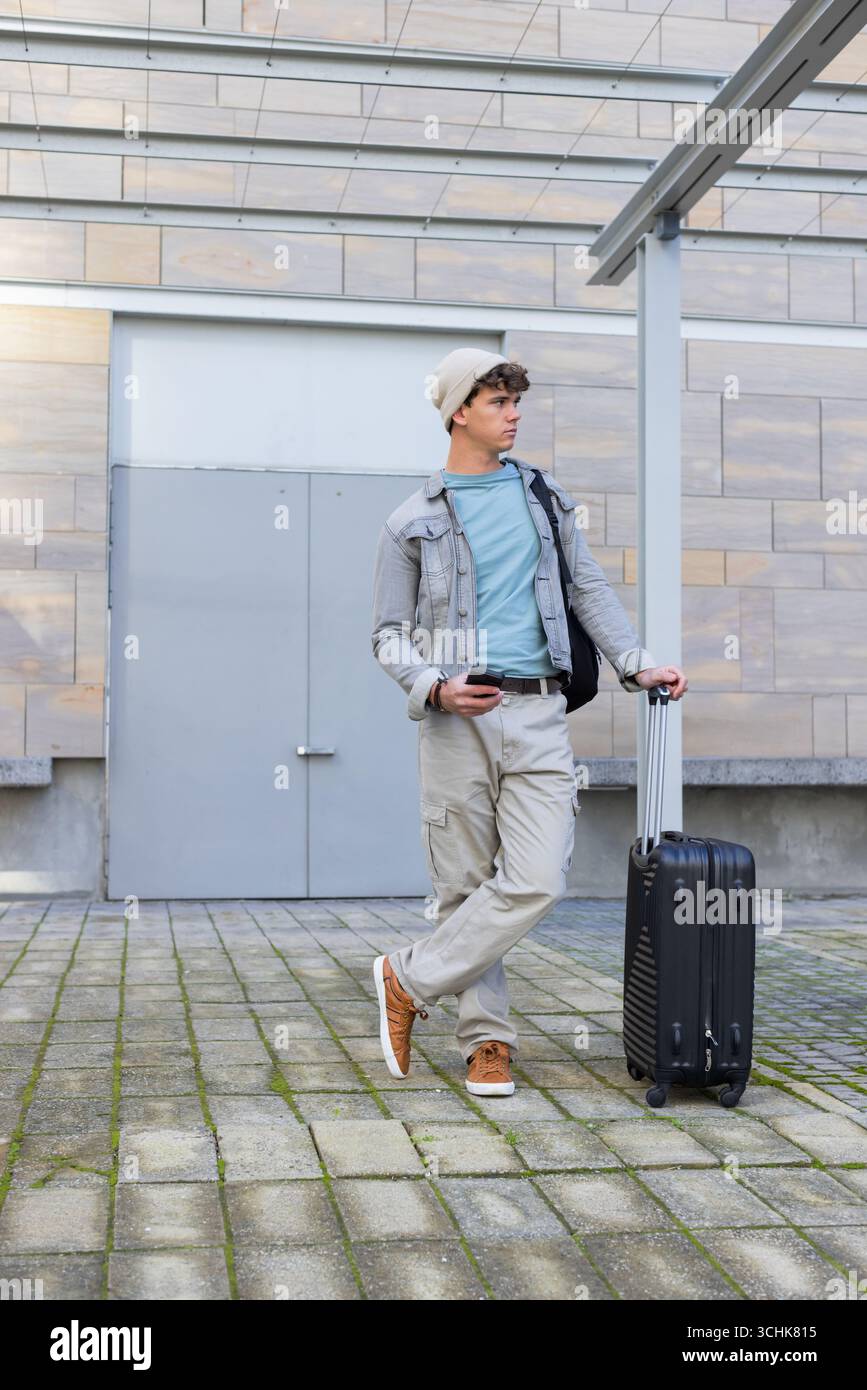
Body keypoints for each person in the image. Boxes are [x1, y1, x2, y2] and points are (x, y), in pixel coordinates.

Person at [370, 347, 687, 1097]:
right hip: (455, 721)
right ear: (458, 412)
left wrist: (636, 661)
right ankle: (488, 1044)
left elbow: (587, 590)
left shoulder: (544, 499)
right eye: (498, 403)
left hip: (538, 709)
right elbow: (386, 634)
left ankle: (406, 980)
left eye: (516, 402)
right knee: (463, 883)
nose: (513, 415)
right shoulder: (409, 522)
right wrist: (434, 687)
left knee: (537, 876)